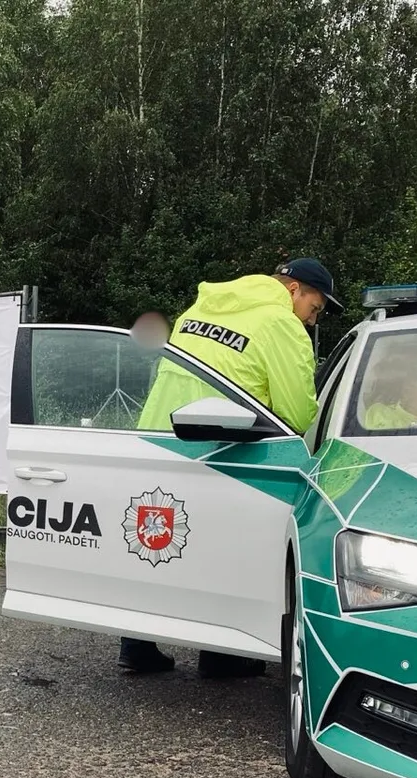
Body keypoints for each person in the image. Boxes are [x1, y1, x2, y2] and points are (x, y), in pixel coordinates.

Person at [120, 258, 342, 678]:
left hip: (157, 439)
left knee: (153, 544)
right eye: (317, 305)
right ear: (294, 288)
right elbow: (296, 413)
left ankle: (136, 645)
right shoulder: (280, 323)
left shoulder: (200, 308)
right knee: (221, 550)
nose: (317, 317)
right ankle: (221, 656)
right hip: (225, 449)